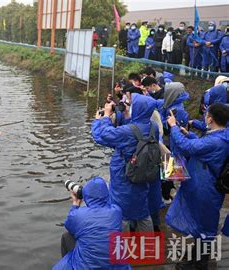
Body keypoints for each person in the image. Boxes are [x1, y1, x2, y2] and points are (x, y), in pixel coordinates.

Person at [166, 103, 229, 269]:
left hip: (206, 188)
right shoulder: (222, 135)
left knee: (205, 225)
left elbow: (189, 147)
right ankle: (196, 258)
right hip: (206, 186)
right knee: (202, 223)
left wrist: (173, 126)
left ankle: (199, 263)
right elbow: (203, 145)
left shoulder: (217, 141)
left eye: (206, 114)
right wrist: (189, 134)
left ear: (210, 118)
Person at [92, 94, 159, 232]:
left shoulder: (127, 132)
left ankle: (121, 248)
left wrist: (104, 117)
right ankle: (150, 248)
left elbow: (104, 135)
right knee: (142, 213)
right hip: (144, 173)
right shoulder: (153, 127)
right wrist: (127, 115)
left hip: (125, 175)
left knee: (121, 213)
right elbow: (136, 131)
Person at [54, 177, 131, 270]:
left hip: (87, 267)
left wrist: (75, 204)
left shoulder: (79, 215)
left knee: (67, 237)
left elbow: (69, 225)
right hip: (118, 267)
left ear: (87, 195)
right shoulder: (116, 211)